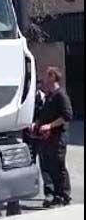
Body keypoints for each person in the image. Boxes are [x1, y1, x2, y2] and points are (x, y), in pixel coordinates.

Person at [35, 67, 74, 208]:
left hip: (58, 137)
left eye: (46, 76)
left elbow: (67, 116)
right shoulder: (49, 96)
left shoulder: (61, 95)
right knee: (49, 166)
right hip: (48, 138)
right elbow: (46, 114)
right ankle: (55, 195)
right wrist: (38, 123)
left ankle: (64, 195)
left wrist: (50, 126)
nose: (44, 79)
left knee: (59, 166)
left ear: (52, 77)